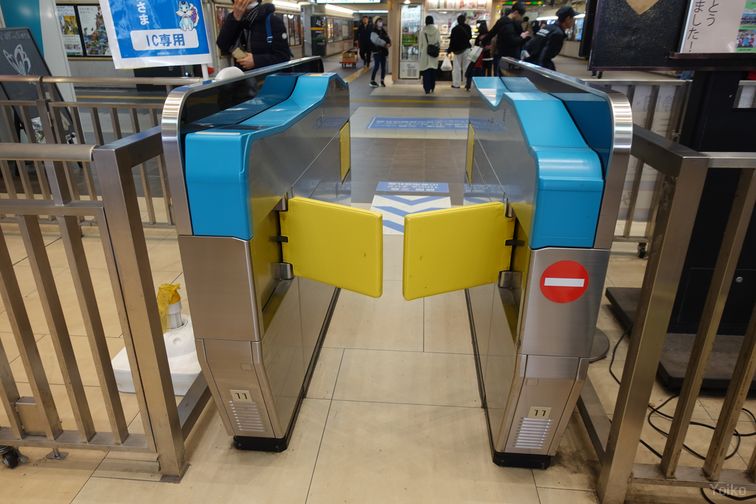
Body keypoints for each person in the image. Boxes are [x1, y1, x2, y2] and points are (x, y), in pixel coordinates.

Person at [217, 0, 290, 70]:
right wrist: (234, 18)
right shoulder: (234, 20)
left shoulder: (272, 20)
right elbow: (222, 45)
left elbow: (284, 57)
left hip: (266, 76)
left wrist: (256, 61)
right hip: (241, 75)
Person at [522, 6, 576, 71]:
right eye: (573, 18)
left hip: (530, 61)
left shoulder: (548, 27)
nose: (573, 21)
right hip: (537, 65)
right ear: (568, 18)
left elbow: (530, 44)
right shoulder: (558, 34)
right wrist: (543, 72)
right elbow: (545, 56)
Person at [483, 2, 527, 75]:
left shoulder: (502, 21)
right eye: (521, 15)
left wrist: (483, 42)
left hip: (501, 56)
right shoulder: (510, 25)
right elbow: (512, 41)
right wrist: (522, 37)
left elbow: (491, 34)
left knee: (500, 76)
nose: (521, 18)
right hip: (509, 59)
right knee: (506, 78)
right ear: (516, 12)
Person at [447, 15, 472, 89]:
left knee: (456, 68)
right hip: (467, 49)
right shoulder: (468, 27)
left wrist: (449, 50)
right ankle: (467, 83)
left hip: (457, 51)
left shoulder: (455, 29)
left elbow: (452, 41)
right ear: (464, 20)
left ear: (457, 21)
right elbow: (470, 37)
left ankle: (456, 84)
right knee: (466, 67)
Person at [418, 16, 441, 94]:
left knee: (426, 72)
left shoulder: (423, 31)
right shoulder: (437, 31)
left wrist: (423, 50)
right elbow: (439, 42)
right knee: (433, 71)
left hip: (425, 54)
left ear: (426, 21)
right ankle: (432, 87)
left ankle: (427, 89)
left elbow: (420, 44)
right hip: (434, 54)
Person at [464, 21, 490, 91]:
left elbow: (475, 46)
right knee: (483, 71)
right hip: (485, 57)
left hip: (476, 55)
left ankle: (468, 84)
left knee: (471, 70)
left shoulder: (478, 37)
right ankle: (482, 85)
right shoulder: (488, 36)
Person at [369, 17, 391, 87]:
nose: (380, 23)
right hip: (376, 51)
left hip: (383, 51)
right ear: (375, 23)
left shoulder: (383, 31)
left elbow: (388, 39)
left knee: (383, 67)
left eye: (381, 21)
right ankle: (372, 81)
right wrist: (385, 44)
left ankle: (382, 81)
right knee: (376, 66)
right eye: (379, 21)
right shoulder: (373, 31)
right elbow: (376, 40)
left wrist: (389, 43)